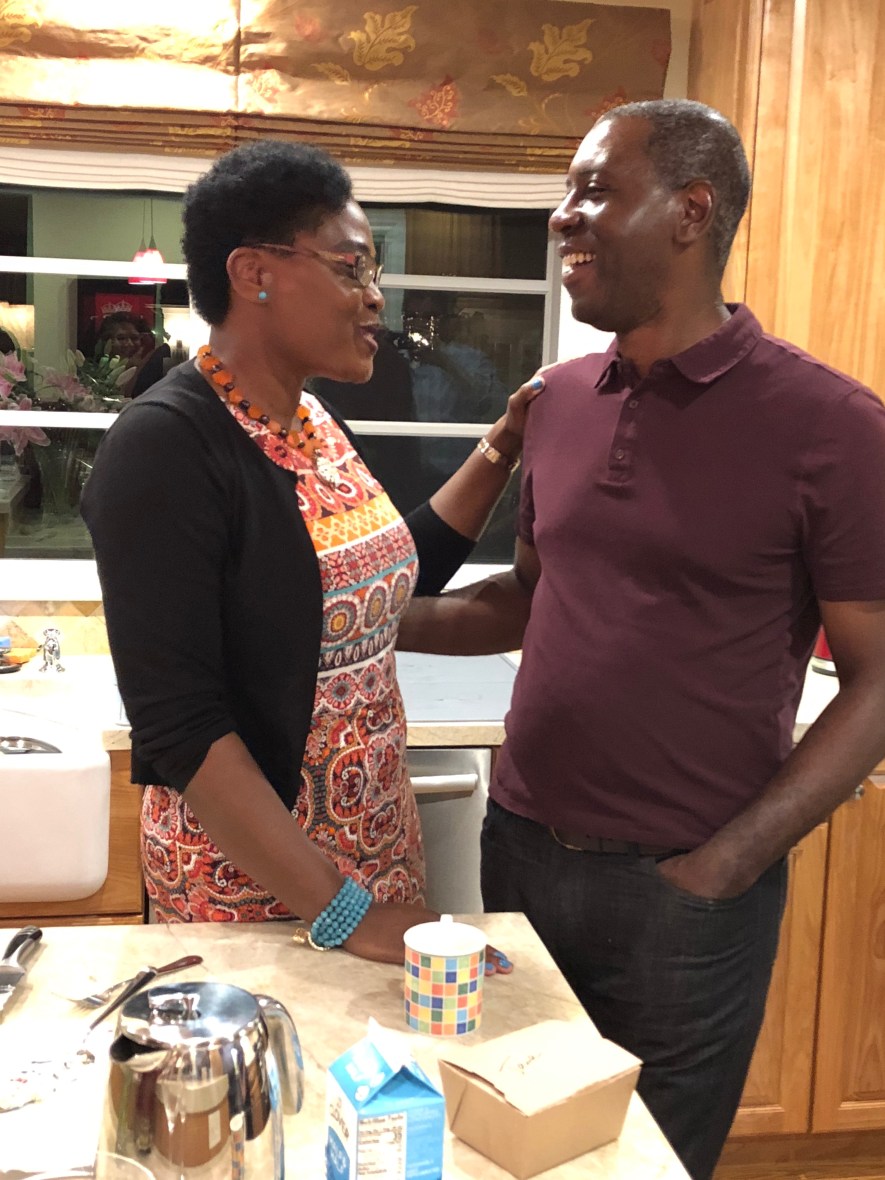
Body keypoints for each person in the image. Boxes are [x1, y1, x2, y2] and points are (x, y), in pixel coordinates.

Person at [396, 98, 885, 1179]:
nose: (562, 217)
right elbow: (531, 598)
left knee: (646, 1164)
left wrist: (723, 867)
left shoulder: (831, 425)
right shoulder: (560, 403)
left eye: (594, 191)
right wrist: (357, 626)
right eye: (565, 193)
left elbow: (876, 682)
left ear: (691, 211)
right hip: (520, 852)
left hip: (685, 893)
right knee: (511, 1151)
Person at [81, 140, 537, 965]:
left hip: (374, 858)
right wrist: (344, 914)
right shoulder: (164, 447)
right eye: (352, 267)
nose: (375, 296)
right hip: (255, 890)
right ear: (254, 272)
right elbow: (180, 727)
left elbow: (389, 575)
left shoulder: (311, 421)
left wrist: (504, 443)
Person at [96, 311, 170, 398]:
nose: (129, 344)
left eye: (134, 338)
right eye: (121, 338)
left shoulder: (151, 371)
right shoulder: (97, 373)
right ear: (108, 342)